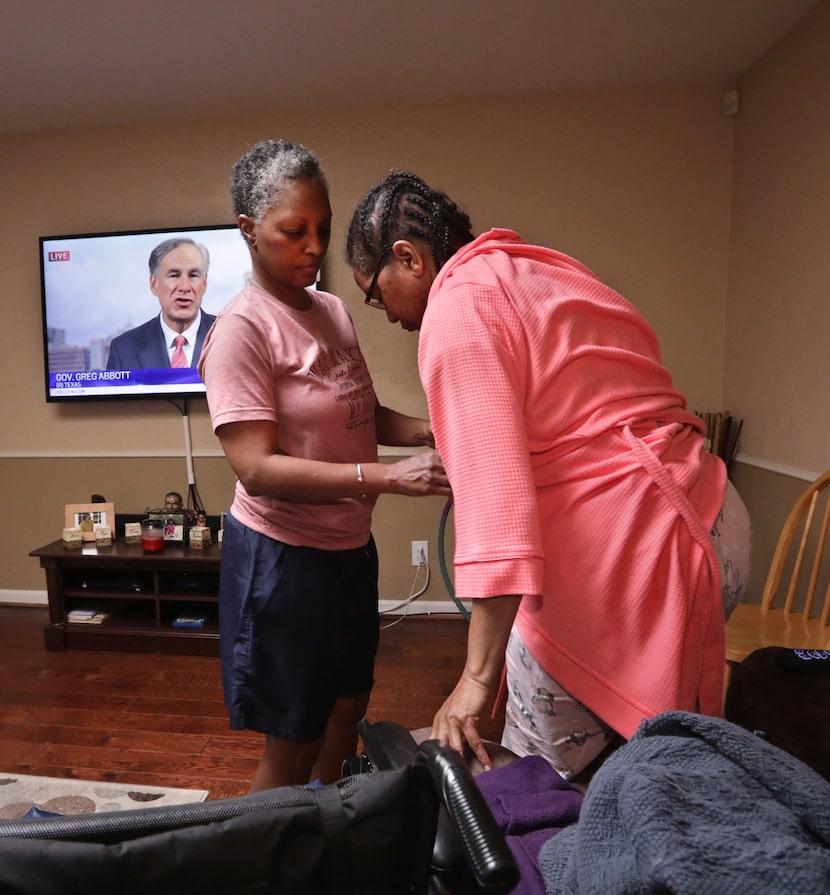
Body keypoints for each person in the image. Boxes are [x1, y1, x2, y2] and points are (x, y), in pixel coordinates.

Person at [346, 170, 751, 782]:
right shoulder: (529, 267)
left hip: (642, 547)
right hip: (712, 513)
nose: (384, 313)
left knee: (541, 777)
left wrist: (474, 683)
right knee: (625, 750)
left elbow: (498, 514)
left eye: (376, 294)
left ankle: (569, 863)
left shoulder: (455, 309)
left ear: (408, 258)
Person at [198, 142, 450, 791]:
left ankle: (325, 848)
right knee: (295, 738)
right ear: (249, 231)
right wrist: (387, 478)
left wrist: (431, 428)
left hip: (348, 550)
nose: (314, 247)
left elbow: (360, 413)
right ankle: (265, 878)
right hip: (283, 562)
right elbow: (256, 467)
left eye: (324, 228)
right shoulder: (240, 331)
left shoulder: (332, 311)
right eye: (294, 231)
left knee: (347, 716)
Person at [106, 238, 215, 370]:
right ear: (154, 283)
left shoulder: (230, 338)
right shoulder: (124, 349)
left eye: (193, 275)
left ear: (204, 283)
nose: (185, 287)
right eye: (174, 275)